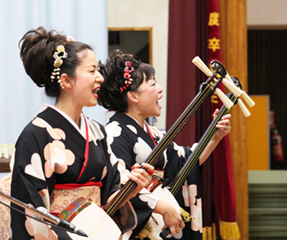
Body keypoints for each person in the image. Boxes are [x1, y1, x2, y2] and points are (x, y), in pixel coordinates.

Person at [10, 27, 153, 239]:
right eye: (92, 70)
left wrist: (130, 189)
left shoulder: (97, 131)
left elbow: (109, 197)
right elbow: (31, 213)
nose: (100, 78)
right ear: (67, 81)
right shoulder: (36, 135)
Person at [98, 50, 232, 240]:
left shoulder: (151, 132)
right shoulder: (114, 132)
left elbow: (187, 160)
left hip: (159, 221)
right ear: (133, 97)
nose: (160, 89)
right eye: (153, 84)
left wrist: (215, 136)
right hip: (144, 226)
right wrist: (161, 207)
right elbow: (120, 186)